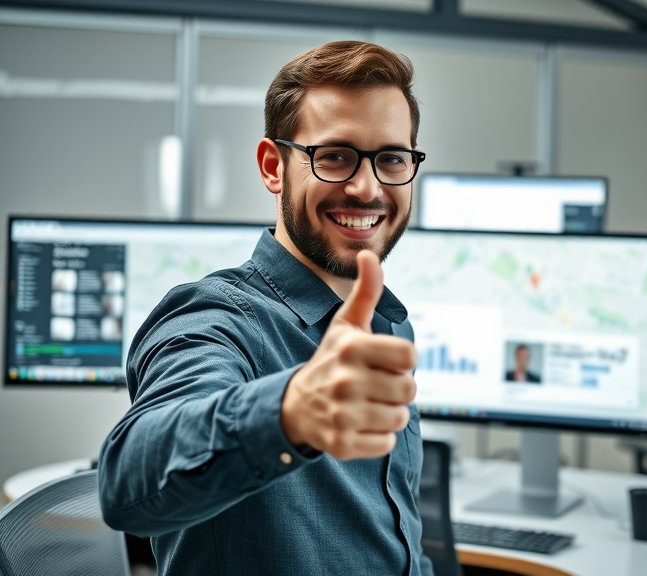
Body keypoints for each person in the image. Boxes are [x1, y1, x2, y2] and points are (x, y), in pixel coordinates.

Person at [98, 41, 432, 576]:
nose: (367, 187)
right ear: (274, 167)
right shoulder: (215, 319)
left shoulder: (389, 324)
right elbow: (128, 480)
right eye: (335, 156)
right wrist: (292, 411)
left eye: (392, 158)